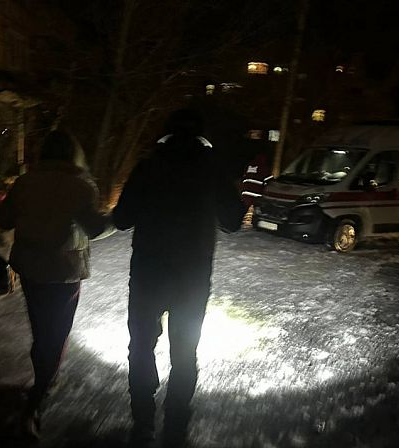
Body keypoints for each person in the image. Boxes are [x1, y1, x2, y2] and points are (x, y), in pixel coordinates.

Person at [113, 109, 245, 447]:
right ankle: (176, 425)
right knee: (185, 352)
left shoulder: (148, 167)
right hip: (192, 277)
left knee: (141, 346)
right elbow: (233, 221)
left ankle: (143, 422)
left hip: (148, 274)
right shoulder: (212, 169)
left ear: (165, 135)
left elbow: (123, 218)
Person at [0, 130, 112, 440]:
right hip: (64, 271)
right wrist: (117, 218)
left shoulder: (25, 183)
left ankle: (44, 377)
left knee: (41, 329)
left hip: (31, 269)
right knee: (57, 334)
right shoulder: (81, 186)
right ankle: (36, 400)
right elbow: (95, 228)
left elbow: (4, 220)